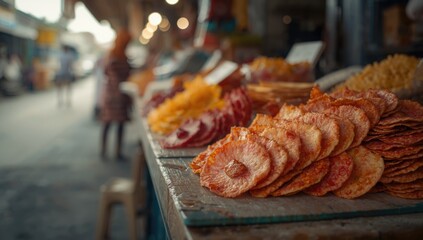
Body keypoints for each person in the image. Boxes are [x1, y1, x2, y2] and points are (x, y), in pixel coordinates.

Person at [100, 29, 133, 160]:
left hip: (119, 93)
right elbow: (111, 73)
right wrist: (119, 89)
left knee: (117, 123)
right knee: (109, 122)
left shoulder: (120, 55)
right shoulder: (114, 55)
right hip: (115, 94)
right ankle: (105, 150)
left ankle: (115, 151)